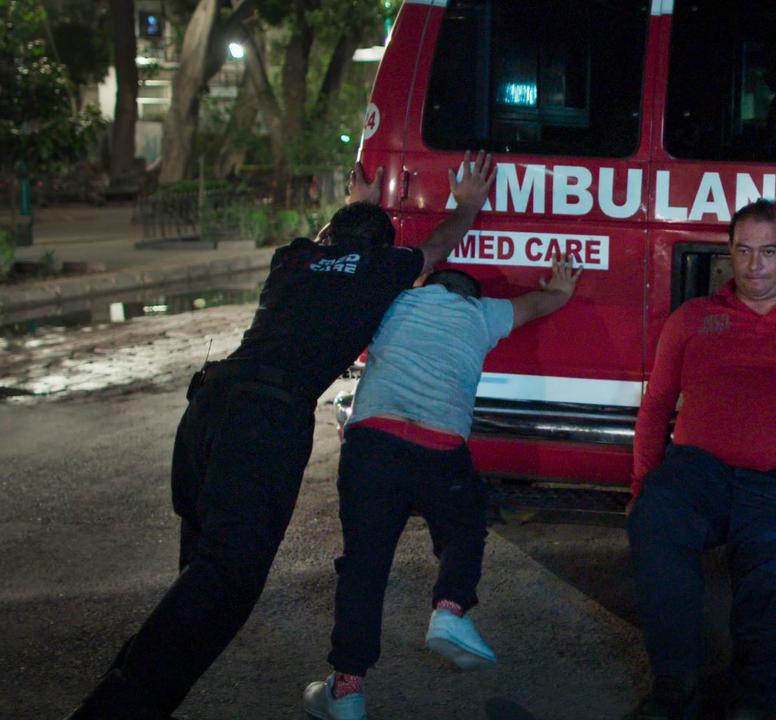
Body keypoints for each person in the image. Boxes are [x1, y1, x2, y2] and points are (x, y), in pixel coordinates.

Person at [64, 150, 498, 720]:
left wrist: (354, 209)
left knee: (200, 581)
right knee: (222, 587)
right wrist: (466, 205)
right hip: (263, 426)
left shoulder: (291, 258)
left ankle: (138, 696)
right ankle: (114, 710)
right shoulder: (381, 271)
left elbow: (329, 244)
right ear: (380, 248)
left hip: (207, 412)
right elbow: (438, 246)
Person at [303, 259, 582, 720]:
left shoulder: (396, 301)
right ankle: (450, 610)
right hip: (441, 449)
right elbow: (544, 301)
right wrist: (562, 287)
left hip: (374, 445)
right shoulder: (482, 314)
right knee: (464, 528)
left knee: (364, 568)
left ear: (424, 285)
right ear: (469, 296)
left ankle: (347, 692)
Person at [627, 199, 776, 720]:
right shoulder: (693, 319)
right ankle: (674, 691)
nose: (754, 265)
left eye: (769, 252)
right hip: (699, 471)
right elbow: (657, 405)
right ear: (730, 252)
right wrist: (642, 485)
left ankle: (760, 705)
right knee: (656, 524)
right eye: (744, 250)